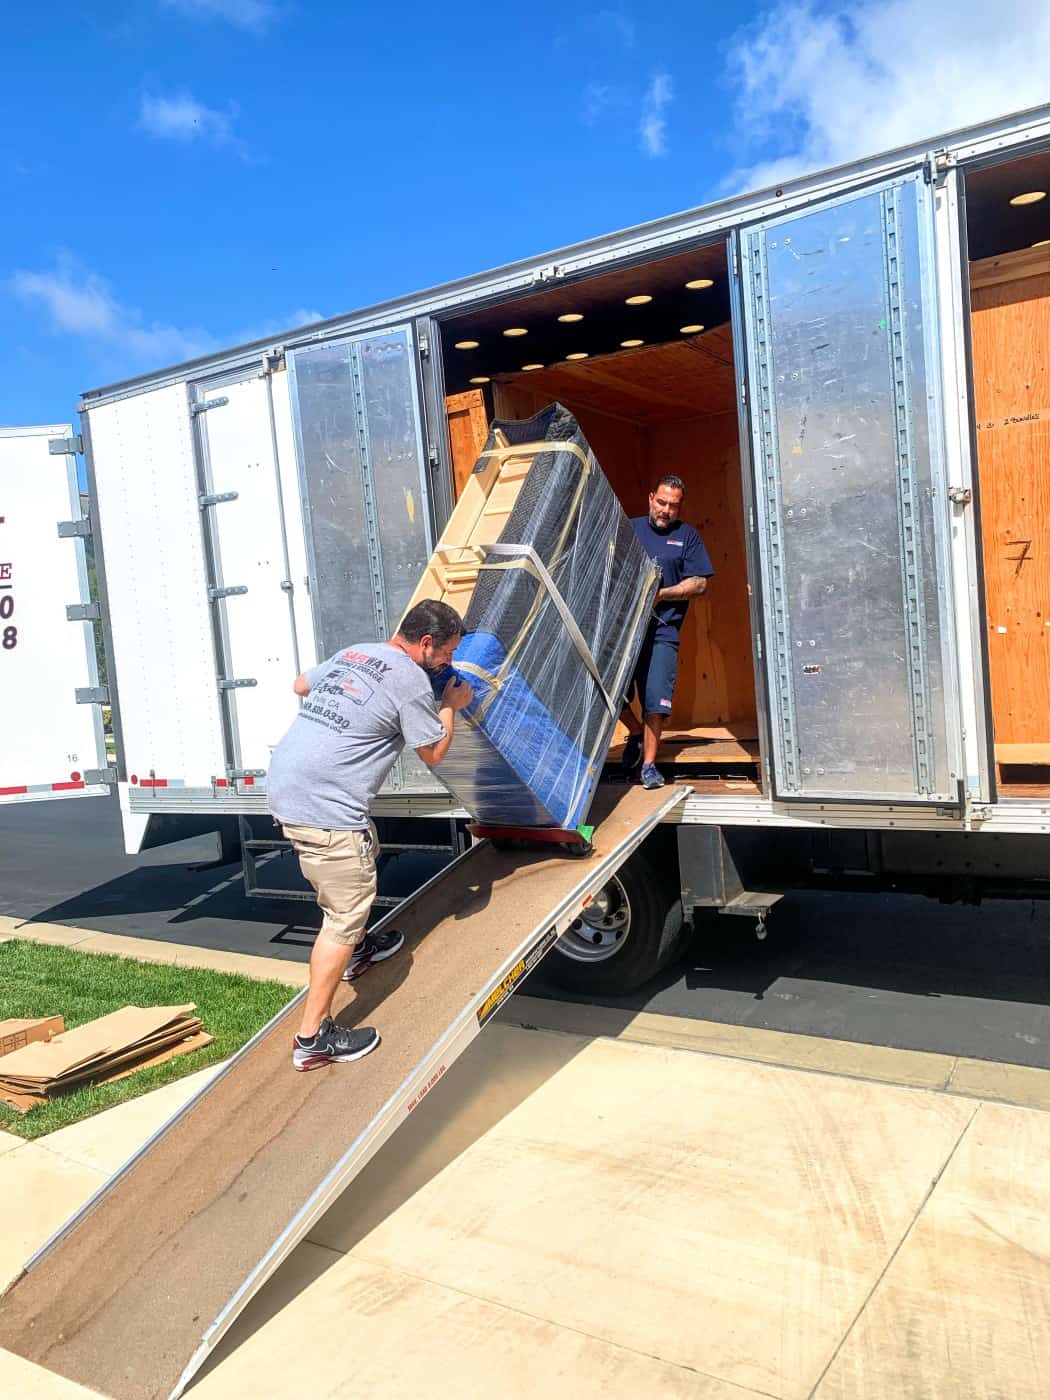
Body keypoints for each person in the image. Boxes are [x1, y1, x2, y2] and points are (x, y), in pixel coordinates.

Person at [267, 599, 473, 1071]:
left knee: (363, 850)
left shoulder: (356, 653)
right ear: (425, 643)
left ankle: (359, 949)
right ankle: (313, 1038)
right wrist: (449, 704)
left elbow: (300, 684)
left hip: (291, 789)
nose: (450, 663)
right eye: (447, 653)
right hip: (324, 807)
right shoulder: (410, 682)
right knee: (342, 913)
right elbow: (434, 754)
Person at [621, 474, 714, 789]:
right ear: (650, 498)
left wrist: (662, 594)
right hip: (623, 631)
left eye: (673, 506)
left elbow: (700, 582)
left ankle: (648, 765)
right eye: (661, 502)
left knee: (655, 700)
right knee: (608, 691)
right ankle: (634, 731)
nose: (666, 510)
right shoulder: (628, 530)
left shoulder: (687, 537)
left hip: (663, 630)